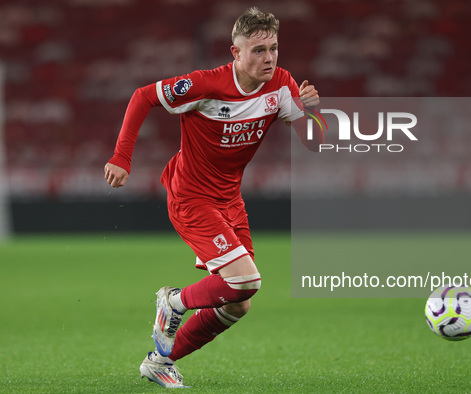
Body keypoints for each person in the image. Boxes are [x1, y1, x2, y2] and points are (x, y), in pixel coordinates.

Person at [104, 7, 321, 389]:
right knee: (246, 280)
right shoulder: (206, 85)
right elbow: (143, 97)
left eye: (273, 48)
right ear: (235, 53)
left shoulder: (282, 85)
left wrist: (311, 113)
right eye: (258, 50)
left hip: (229, 200)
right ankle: (173, 302)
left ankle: (159, 361)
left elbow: (314, 145)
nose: (268, 58)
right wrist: (122, 157)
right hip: (191, 196)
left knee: (239, 302)